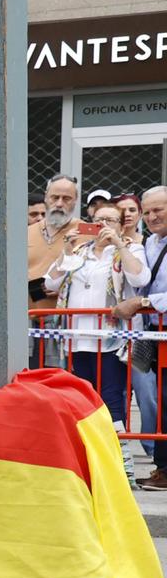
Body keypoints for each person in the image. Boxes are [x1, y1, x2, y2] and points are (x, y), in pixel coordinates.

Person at [47, 200, 145, 416]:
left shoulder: (131, 248)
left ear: (121, 226)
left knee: (111, 396)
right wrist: (66, 250)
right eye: (98, 220)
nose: (102, 225)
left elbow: (139, 278)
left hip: (111, 337)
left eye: (109, 220)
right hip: (77, 337)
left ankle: (118, 444)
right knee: (81, 397)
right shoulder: (79, 251)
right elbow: (51, 283)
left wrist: (118, 244)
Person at [116, 186, 167, 488]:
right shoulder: (149, 243)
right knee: (162, 402)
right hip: (153, 337)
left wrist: (143, 303)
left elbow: (144, 296)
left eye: (158, 209)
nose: (151, 217)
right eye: (146, 211)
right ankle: (163, 467)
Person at [28, 174, 79, 309]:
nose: (59, 204)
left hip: (67, 320)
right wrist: (39, 290)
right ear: (46, 197)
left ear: (76, 200)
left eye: (66, 198)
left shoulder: (86, 234)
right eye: (55, 197)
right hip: (25, 320)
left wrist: (59, 286)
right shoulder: (25, 234)